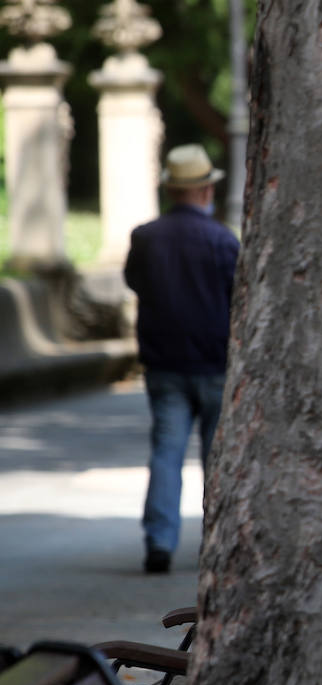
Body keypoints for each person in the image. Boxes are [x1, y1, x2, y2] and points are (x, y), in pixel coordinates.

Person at [124, 143, 239, 573]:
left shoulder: (146, 238)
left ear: (171, 190)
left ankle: (159, 542)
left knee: (166, 454)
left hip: (164, 365)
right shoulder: (222, 240)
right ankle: (218, 543)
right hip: (215, 365)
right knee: (218, 458)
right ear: (207, 190)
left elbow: (135, 283)